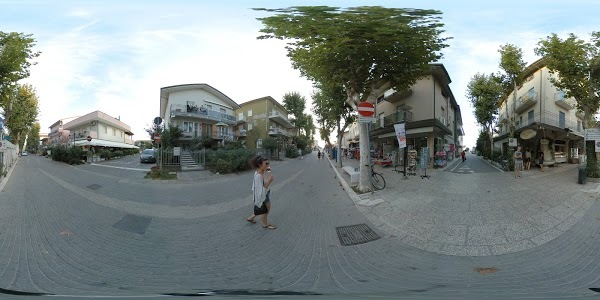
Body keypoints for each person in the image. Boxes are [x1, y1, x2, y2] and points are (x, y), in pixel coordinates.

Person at [246, 156, 276, 229]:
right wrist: (269, 181)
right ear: (260, 165)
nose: (268, 165)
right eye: (266, 164)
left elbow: (266, 171)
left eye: (268, 163)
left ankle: (250, 218)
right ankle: (265, 225)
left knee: (261, 208)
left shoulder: (261, 171)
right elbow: (261, 190)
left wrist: (267, 169)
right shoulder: (258, 176)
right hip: (264, 196)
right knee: (265, 211)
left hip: (265, 193)